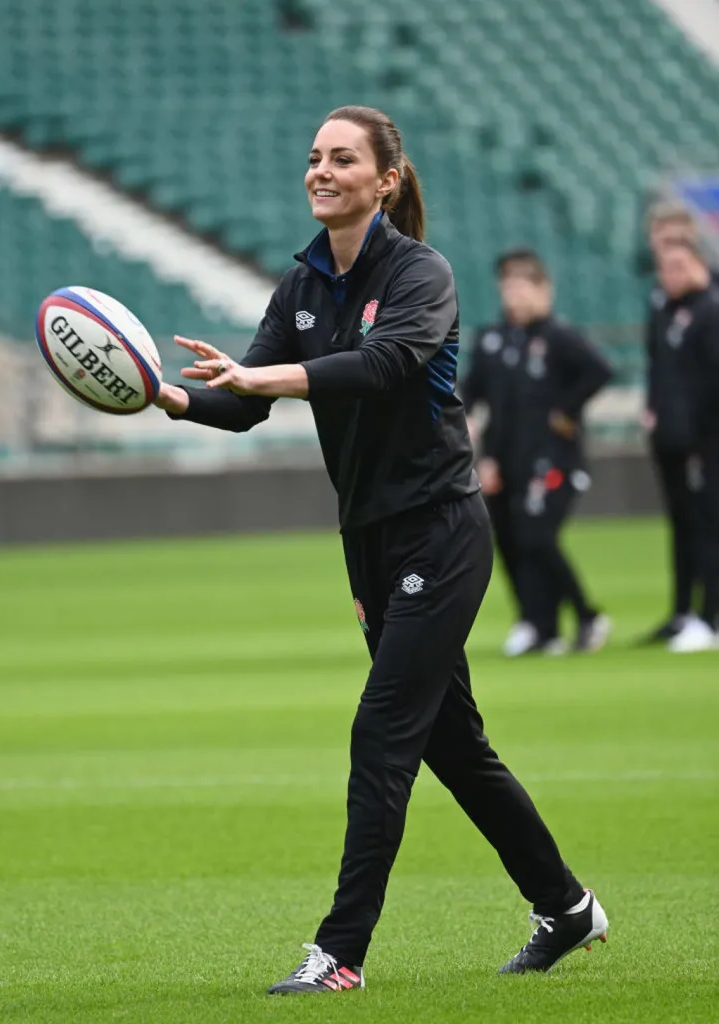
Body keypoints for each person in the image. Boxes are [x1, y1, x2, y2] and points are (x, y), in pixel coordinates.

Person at [155, 106, 609, 992]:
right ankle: (566, 907)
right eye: (314, 158)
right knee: (454, 745)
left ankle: (339, 954)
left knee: (383, 731)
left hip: (441, 529)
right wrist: (163, 396)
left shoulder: (420, 273)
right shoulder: (302, 284)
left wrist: (268, 376)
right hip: (367, 539)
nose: (321, 171)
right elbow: (243, 403)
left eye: (342, 159)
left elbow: (384, 364)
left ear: (386, 180)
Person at [460, 250, 613, 657]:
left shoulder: (557, 336)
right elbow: (473, 391)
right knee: (509, 540)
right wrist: (481, 448)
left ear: (544, 291)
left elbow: (600, 370)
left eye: (524, 288)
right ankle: (537, 623)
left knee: (537, 535)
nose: (515, 297)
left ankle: (586, 614)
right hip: (503, 458)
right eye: (508, 288)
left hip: (552, 459)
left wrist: (566, 410)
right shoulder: (493, 339)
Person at [639, 202, 715, 643]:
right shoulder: (663, 302)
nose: (668, 261)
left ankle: (709, 616)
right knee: (684, 525)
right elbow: (659, 364)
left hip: (705, 438)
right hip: (672, 433)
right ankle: (684, 611)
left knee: (707, 524)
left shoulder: (709, 305)